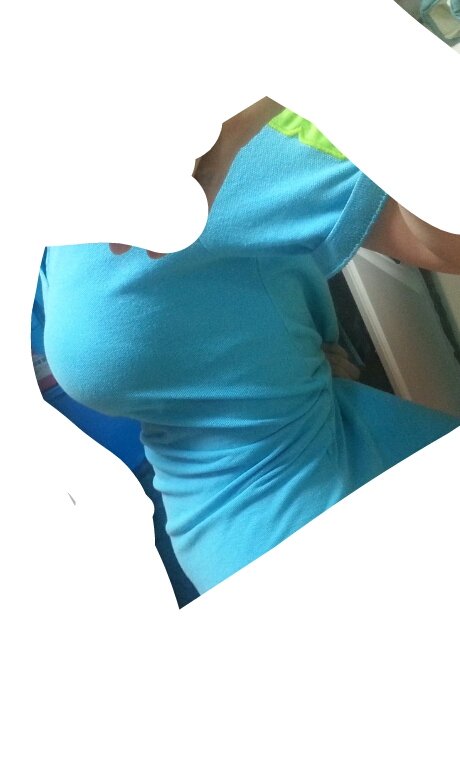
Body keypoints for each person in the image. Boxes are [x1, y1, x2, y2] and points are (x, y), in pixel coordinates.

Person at [38, 99, 460, 598]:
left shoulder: (196, 137)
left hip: (312, 517)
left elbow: (442, 242)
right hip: (289, 525)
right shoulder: (64, 185)